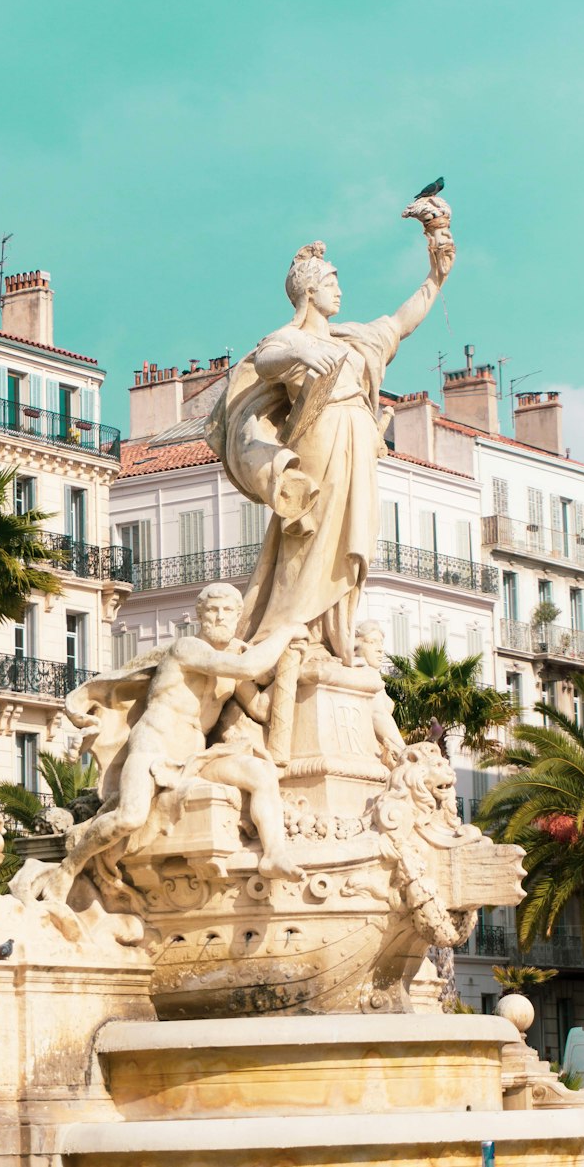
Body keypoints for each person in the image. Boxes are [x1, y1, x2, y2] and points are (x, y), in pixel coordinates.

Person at [207, 200, 454, 667]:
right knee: (315, 534)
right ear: (310, 291)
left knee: (352, 544)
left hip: (361, 437)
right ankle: (294, 630)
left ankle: (335, 635)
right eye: (331, 283)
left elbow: (402, 322)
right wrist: (300, 349)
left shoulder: (354, 338)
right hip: (320, 436)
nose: (339, 291)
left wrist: (435, 278)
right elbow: (264, 361)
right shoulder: (288, 338)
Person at [34, 582, 308, 903]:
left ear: (237, 617)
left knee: (260, 774)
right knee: (130, 817)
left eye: (227, 611)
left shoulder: (231, 668)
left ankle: (274, 853)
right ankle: (70, 867)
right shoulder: (187, 648)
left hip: (193, 758)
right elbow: (249, 666)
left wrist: (294, 669)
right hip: (154, 748)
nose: (219, 618)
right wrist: (287, 631)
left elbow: (262, 708)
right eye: (212, 611)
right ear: (199, 615)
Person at [353, 619, 406, 763]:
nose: (380, 648)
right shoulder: (364, 673)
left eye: (381, 643)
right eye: (372, 642)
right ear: (355, 645)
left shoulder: (371, 675)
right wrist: (403, 751)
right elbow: (378, 715)